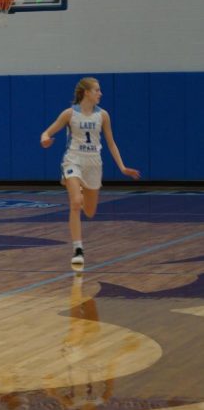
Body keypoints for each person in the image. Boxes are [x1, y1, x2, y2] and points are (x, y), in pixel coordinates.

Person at [40, 77, 141, 268]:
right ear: (86, 92)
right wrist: (45, 139)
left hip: (94, 163)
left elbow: (111, 143)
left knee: (90, 211)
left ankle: (84, 192)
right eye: (97, 90)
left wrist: (122, 167)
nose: (100, 93)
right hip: (73, 160)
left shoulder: (103, 115)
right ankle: (78, 249)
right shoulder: (69, 114)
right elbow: (46, 132)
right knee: (75, 202)